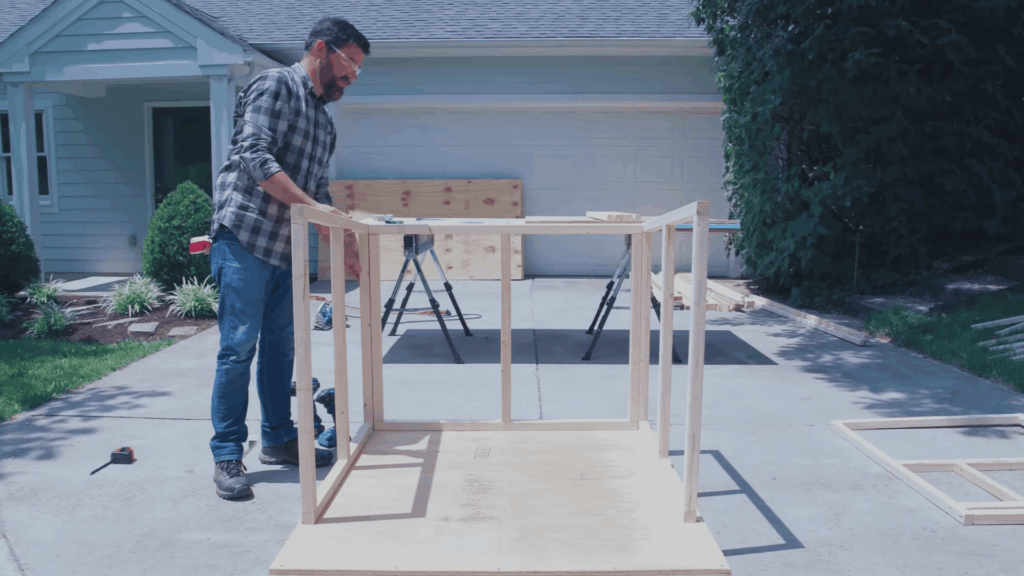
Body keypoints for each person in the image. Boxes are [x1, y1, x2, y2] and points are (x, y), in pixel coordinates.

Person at [208, 17, 369, 500]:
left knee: (282, 349)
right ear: (322, 48)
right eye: (350, 63)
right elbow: (255, 157)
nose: (353, 76)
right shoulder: (274, 85)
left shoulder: (324, 121)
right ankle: (227, 454)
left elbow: (316, 190)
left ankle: (279, 438)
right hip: (244, 237)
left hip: (287, 248)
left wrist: (342, 240)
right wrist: (317, 213)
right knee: (239, 348)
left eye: (359, 69)